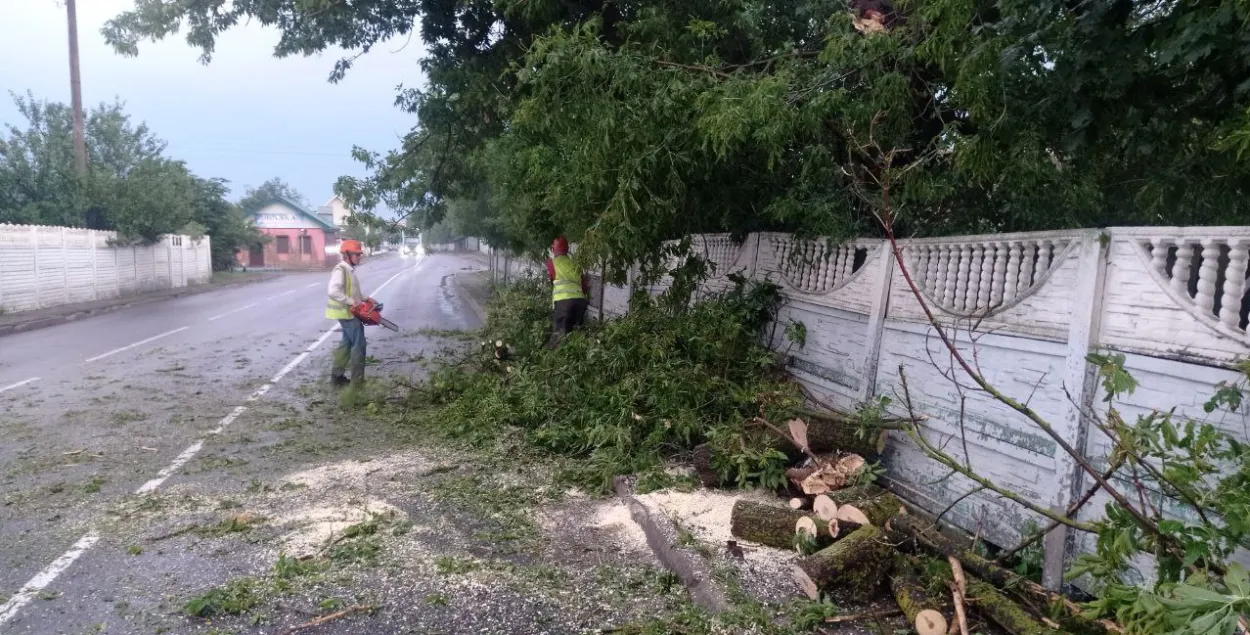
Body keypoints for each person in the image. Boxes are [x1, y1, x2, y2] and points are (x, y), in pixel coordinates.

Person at [325, 239, 374, 386]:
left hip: (348, 313)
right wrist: (351, 302)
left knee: (346, 345)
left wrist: (367, 298)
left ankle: (336, 378)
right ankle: (357, 382)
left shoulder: (348, 271)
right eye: (356, 254)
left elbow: (353, 292)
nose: (360, 257)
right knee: (359, 344)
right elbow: (333, 291)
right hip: (347, 313)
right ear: (347, 255)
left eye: (359, 254)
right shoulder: (341, 270)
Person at [545, 235, 589, 349]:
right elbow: (585, 287)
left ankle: (554, 360)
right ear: (567, 249)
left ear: (553, 248)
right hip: (580, 302)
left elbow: (552, 278)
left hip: (564, 302)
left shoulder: (552, 263)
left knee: (559, 335)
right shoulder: (575, 263)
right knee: (575, 334)